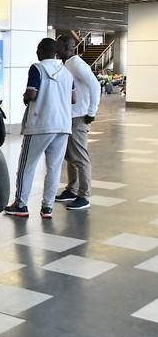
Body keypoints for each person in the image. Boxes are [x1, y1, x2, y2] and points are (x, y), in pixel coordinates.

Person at [5, 38, 75, 218]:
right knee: (54, 167)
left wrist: (25, 97)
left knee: (26, 165)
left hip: (40, 124)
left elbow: (32, 93)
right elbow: (73, 99)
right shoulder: (66, 73)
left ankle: (20, 204)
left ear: (42, 51)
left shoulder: (37, 68)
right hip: (63, 125)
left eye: (38, 50)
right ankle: (47, 207)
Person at [55, 35, 101, 210]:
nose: (56, 48)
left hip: (79, 117)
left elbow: (95, 86)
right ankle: (72, 189)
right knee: (70, 156)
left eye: (58, 45)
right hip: (69, 116)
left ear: (68, 47)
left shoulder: (77, 64)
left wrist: (92, 112)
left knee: (80, 157)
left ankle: (84, 195)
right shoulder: (66, 64)